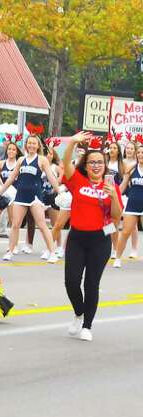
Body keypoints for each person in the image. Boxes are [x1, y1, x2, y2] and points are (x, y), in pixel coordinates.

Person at [58, 132, 123, 341]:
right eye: (92, 162)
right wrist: (72, 143)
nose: (96, 165)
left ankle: (87, 325)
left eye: (100, 162)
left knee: (91, 283)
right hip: (77, 238)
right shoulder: (77, 181)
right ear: (86, 166)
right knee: (71, 281)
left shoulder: (111, 187)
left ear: (105, 165)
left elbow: (116, 216)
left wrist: (113, 196)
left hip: (100, 240)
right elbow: (65, 163)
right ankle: (79, 312)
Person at [0, 134, 59, 262]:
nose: (31, 145)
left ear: (38, 146)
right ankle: (10, 251)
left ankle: (52, 252)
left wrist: (59, 191)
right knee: (15, 225)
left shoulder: (42, 160)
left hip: (35, 196)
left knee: (42, 225)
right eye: (29, 143)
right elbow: (12, 177)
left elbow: (51, 177)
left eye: (34, 143)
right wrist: (2, 190)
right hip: (20, 195)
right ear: (26, 145)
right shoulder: (21, 160)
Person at [115, 142, 143, 265]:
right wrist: (113, 195)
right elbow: (123, 186)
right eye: (139, 153)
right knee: (125, 232)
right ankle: (117, 258)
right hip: (132, 204)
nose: (141, 155)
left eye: (142, 153)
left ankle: (134, 250)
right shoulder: (131, 168)